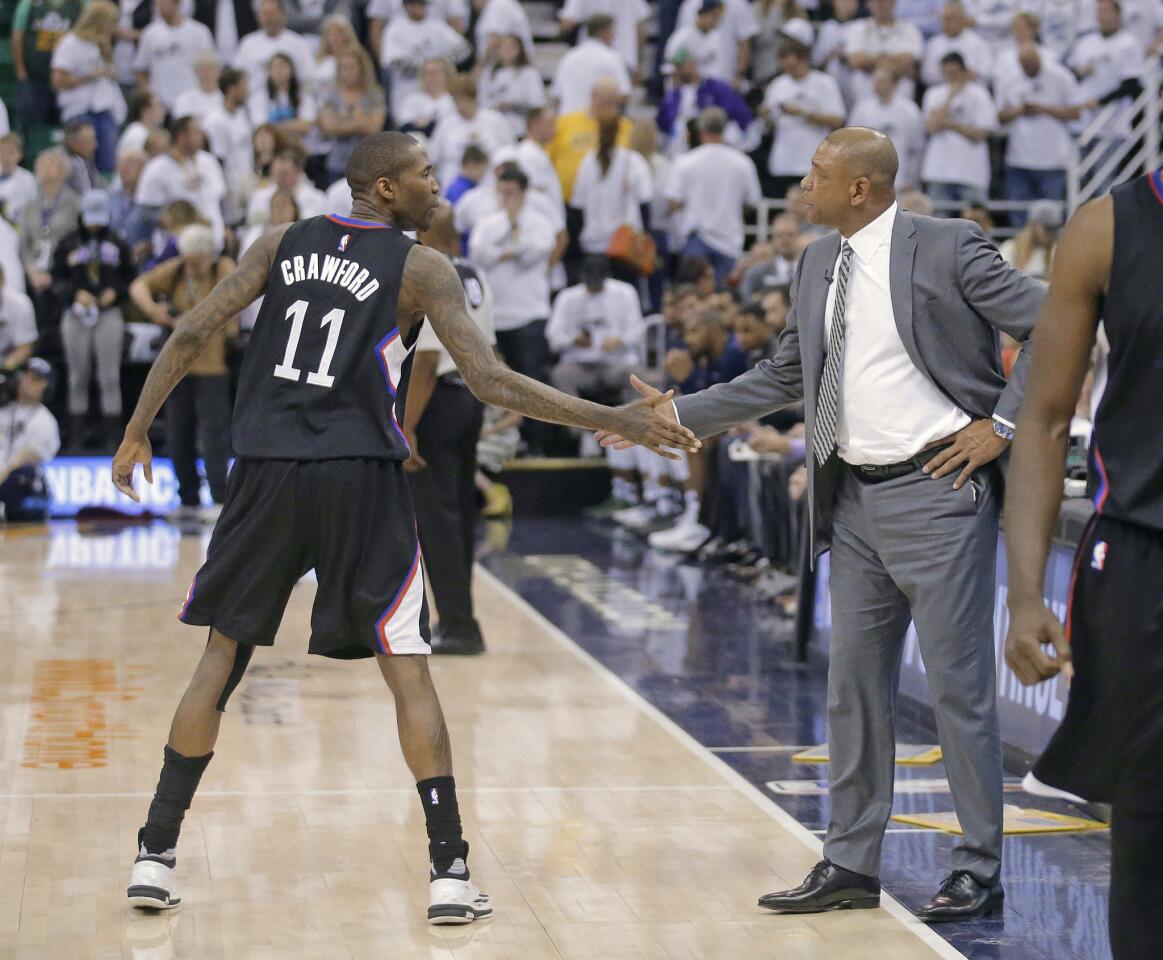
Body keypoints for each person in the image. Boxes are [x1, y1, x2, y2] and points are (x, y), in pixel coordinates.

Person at [111, 130, 696, 923]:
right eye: (424, 175)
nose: (438, 188)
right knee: (408, 664)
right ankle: (449, 873)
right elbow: (487, 379)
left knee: (221, 655)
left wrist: (137, 429)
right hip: (361, 476)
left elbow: (188, 333)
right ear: (384, 188)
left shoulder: (279, 242)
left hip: (265, 473)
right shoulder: (421, 268)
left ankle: (153, 855)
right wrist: (609, 415)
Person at [598, 127, 1046, 922]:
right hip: (852, 499)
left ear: (860, 188)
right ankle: (849, 861)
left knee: (958, 693)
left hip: (937, 490)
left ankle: (977, 867)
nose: (802, 188)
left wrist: (1001, 427)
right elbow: (782, 376)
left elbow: (1054, 323)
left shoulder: (946, 246)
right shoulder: (813, 262)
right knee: (852, 692)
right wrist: (673, 414)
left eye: (814, 175)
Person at [1004, 165, 1162, 960]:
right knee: (1148, 821)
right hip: (1142, 558)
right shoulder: (1105, 227)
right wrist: (1027, 593)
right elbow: (1041, 419)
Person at [402, 202, 493, 654]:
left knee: (435, 520)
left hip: (436, 403)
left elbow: (427, 359)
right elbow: (487, 351)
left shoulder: (431, 272)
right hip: (471, 401)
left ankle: (457, 624)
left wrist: (407, 426)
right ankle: (463, 620)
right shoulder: (474, 275)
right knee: (458, 516)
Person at [131, 224, 236, 522]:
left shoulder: (223, 268)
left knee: (214, 436)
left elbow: (230, 303)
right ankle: (187, 498)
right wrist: (154, 312)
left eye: (197, 259)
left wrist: (189, 320)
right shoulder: (177, 270)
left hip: (214, 366)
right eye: (188, 258)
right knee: (178, 434)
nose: (192, 265)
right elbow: (138, 286)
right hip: (178, 368)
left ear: (208, 253)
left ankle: (219, 498)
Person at [468, 165, 558, 450]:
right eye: (503, 191)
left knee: (532, 383)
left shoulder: (540, 222)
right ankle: (500, 439)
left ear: (523, 193)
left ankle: (537, 443)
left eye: (512, 192)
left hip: (529, 314)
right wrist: (509, 236)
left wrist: (511, 236)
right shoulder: (488, 223)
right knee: (497, 382)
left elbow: (534, 252)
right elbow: (480, 253)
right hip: (496, 318)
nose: (507, 197)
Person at [53, 189, 135, 449]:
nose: (95, 224)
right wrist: (74, 294)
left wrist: (116, 292)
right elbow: (56, 279)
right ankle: (76, 439)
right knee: (78, 375)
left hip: (108, 313)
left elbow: (131, 277)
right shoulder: (68, 243)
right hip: (76, 313)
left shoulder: (118, 243)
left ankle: (113, 440)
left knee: (109, 376)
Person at [668, 107, 762, 286]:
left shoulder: (686, 161)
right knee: (723, 299)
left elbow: (673, 202)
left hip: (697, 238)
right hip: (729, 238)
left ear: (701, 130)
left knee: (692, 296)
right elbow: (752, 202)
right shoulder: (742, 162)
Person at [995, 41, 1081, 221]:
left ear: (1039, 59)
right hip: (1019, 158)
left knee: (1051, 216)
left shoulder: (1061, 77)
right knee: (1019, 214)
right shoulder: (1009, 80)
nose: (1028, 68)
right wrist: (1020, 110)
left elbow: (1076, 112)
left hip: (1053, 159)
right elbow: (999, 117)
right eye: (1024, 65)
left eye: (1032, 64)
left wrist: (1042, 108)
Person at [761, 28, 846, 198]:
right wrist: (766, 116)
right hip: (783, 161)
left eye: (791, 64)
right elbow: (769, 126)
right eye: (783, 63)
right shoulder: (777, 85)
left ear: (803, 59)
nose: (787, 69)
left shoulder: (824, 83)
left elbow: (838, 120)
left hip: (812, 159)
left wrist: (802, 113)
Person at [569, 115, 653, 284]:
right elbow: (645, 203)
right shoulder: (633, 161)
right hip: (624, 246)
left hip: (593, 245)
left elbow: (577, 209)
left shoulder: (587, 163)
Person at [49, 0, 124, 174]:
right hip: (79, 109)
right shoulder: (71, 43)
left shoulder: (104, 44)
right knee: (80, 164)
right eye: (111, 22)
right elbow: (57, 81)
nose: (114, 28)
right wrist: (89, 76)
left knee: (107, 163)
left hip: (104, 108)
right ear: (98, 21)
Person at [136, 116, 228, 249]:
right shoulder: (158, 167)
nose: (202, 135)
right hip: (178, 248)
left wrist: (225, 227)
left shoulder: (209, 161)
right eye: (196, 131)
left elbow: (219, 199)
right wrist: (183, 223)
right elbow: (147, 211)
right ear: (181, 136)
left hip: (213, 244)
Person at [920, 52, 997, 209]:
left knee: (974, 223)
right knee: (938, 223)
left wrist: (951, 124)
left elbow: (981, 133)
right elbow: (932, 127)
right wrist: (950, 97)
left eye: (954, 72)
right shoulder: (934, 94)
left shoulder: (980, 95)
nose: (951, 77)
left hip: (971, 171)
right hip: (939, 169)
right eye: (946, 73)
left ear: (964, 71)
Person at [655, 45, 752, 158]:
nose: (678, 71)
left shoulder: (717, 88)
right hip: (681, 151)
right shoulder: (673, 96)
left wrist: (728, 142)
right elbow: (662, 127)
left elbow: (741, 116)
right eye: (676, 67)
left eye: (681, 66)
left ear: (692, 64)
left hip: (713, 149)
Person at [378, 0, 469, 121]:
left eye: (423, 4)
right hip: (407, 90)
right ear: (406, 6)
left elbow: (464, 49)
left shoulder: (437, 26)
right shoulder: (395, 29)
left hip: (439, 93)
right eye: (416, 4)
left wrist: (442, 62)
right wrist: (427, 68)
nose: (420, 8)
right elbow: (393, 61)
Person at [428, 74, 515, 193]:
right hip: (454, 185)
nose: (460, 106)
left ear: (473, 98)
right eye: (456, 101)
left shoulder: (495, 121)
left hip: (489, 185)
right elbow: (432, 161)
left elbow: (511, 154)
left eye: (463, 100)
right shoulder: (446, 124)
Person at [317, 47, 388, 188]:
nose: (347, 72)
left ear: (362, 69)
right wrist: (360, 120)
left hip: (367, 166)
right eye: (343, 67)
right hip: (337, 165)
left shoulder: (374, 94)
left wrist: (342, 121)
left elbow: (374, 127)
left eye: (351, 67)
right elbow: (329, 126)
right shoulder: (331, 95)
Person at [0, 358, 59, 522]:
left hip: (21, 490)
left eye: (36, 379)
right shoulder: (4, 409)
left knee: (22, 476)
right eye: (25, 376)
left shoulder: (45, 421)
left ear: (46, 386)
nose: (27, 382)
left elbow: (23, 459)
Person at [11, 0, 83, 133]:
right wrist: (21, 72)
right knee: (32, 127)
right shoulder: (29, 3)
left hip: (66, 80)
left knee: (67, 129)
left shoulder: (81, 3)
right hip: (34, 77)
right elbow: (17, 36)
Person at [847, 65, 924, 189]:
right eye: (876, 81)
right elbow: (851, 145)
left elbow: (916, 148)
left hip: (900, 180)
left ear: (894, 83)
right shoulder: (862, 109)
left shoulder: (909, 110)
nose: (878, 85)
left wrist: (912, 179)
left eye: (882, 81)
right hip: (868, 179)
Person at [133, 0, 215, 115]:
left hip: (191, 104)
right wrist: (150, 97)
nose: (159, 9)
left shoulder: (199, 32)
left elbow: (212, 67)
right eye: (157, 5)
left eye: (163, 4)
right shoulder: (150, 33)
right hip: (161, 106)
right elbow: (140, 69)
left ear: (177, 3)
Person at [20, 149, 82, 300]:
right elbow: (25, 243)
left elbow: (79, 239)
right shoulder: (30, 205)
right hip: (33, 271)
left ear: (63, 171)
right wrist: (32, 270)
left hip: (64, 270)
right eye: (42, 165)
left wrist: (58, 271)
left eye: (51, 164)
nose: (46, 168)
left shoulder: (75, 203)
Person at [234, 0, 315, 106]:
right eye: (265, 14)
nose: (269, 19)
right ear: (258, 17)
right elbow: (237, 77)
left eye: (272, 14)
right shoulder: (247, 44)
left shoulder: (298, 43)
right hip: (254, 104)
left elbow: (308, 78)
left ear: (283, 15)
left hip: (292, 103)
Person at [550, 14, 632, 116]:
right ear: (603, 31)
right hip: (595, 123)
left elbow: (556, 96)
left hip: (568, 122)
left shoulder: (569, 57)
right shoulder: (612, 57)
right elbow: (623, 95)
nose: (614, 34)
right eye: (612, 30)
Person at [559, 0, 650, 78]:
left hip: (590, 59)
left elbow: (567, 24)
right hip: (624, 57)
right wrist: (640, 63)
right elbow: (640, 28)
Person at [478, 34, 546, 138]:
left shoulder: (529, 73)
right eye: (503, 47)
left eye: (512, 47)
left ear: (520, 50)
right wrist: (496, 106)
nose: (507, 50)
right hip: (495, 130)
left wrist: (513, 106)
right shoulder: (488, 74)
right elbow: (482, 103)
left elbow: (537, 105)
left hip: (521, 128)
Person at [921, 0, 993, 87]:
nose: (946, 23)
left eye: (950, 19)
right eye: (944, 19)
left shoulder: (978, 43)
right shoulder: (933, 44)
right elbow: (927, 76)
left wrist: (965, 74)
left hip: (971, 89)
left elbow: (987, 74)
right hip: (942, 90)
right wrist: (949, 73)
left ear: (962, 20)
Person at [999, 199, 1061, 280]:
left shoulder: (1056, 251)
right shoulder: (1010, 248)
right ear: (1033, 225)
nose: (1050, 233)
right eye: (1047, 228)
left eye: (1054, 229)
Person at [397, 56, 456, 136]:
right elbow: (406, 129)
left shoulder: (454, 100)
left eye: (437, 72)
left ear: (447, 75)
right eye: (428, 73)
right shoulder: (412, 100)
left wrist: (427, 123)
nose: (433, 77)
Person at [0, 264, 37, 370]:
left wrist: (4, 369)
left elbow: (25, 348)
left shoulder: (20, 304)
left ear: (2, 280)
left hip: (9, 364)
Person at [173, 49, 225, 119]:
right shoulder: (185, 99)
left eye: (210, 68)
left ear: (219, 71)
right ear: (195, 72)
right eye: (202, 69)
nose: (206, 73)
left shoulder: (227, 97)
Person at [0, 133, 39, 226]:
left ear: (20, 154)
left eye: (10, 152)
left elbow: (34, 209)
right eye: (2, 152)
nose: (6, 157)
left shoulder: (28, 179)